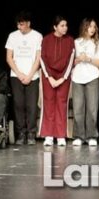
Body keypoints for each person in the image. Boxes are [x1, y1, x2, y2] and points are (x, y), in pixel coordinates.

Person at [5, 12, 43, 146]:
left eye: (21, 24)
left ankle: (31, 133)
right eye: (18, 24)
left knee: (32, 106)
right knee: (18, 105)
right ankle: (21, 133)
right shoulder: (12, 36)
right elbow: (9, 57)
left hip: (33, 76)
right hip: (17, 76)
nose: (19, 27)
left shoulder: (37, 36)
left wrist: (30, 75)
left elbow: (38, 58)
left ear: (28, 23)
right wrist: (19, 73)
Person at [40, 16, 75, 147]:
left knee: (61, 104)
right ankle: (48, 135)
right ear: (55, 27)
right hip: (48, 76)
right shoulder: (46, 39)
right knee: (48, 103)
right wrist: (49, 77)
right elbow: (42, 58)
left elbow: (71, 60)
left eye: (66, 25)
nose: (65, 28)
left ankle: (61, 135)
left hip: (63, 76)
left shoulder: (70, 40)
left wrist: (62, 79)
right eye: (62, 25)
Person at [71, 19, 99, 147]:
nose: (92, 29)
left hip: (92, 77)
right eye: (90, 26)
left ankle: (91, 136)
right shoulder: (76, 42)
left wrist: (89, 59)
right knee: (78, 108)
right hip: (77, 78)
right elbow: (70, 62)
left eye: (94, 27)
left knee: (92, 108)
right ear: (84, 27)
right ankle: (79, 136)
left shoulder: (98, 43)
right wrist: (79, 59)